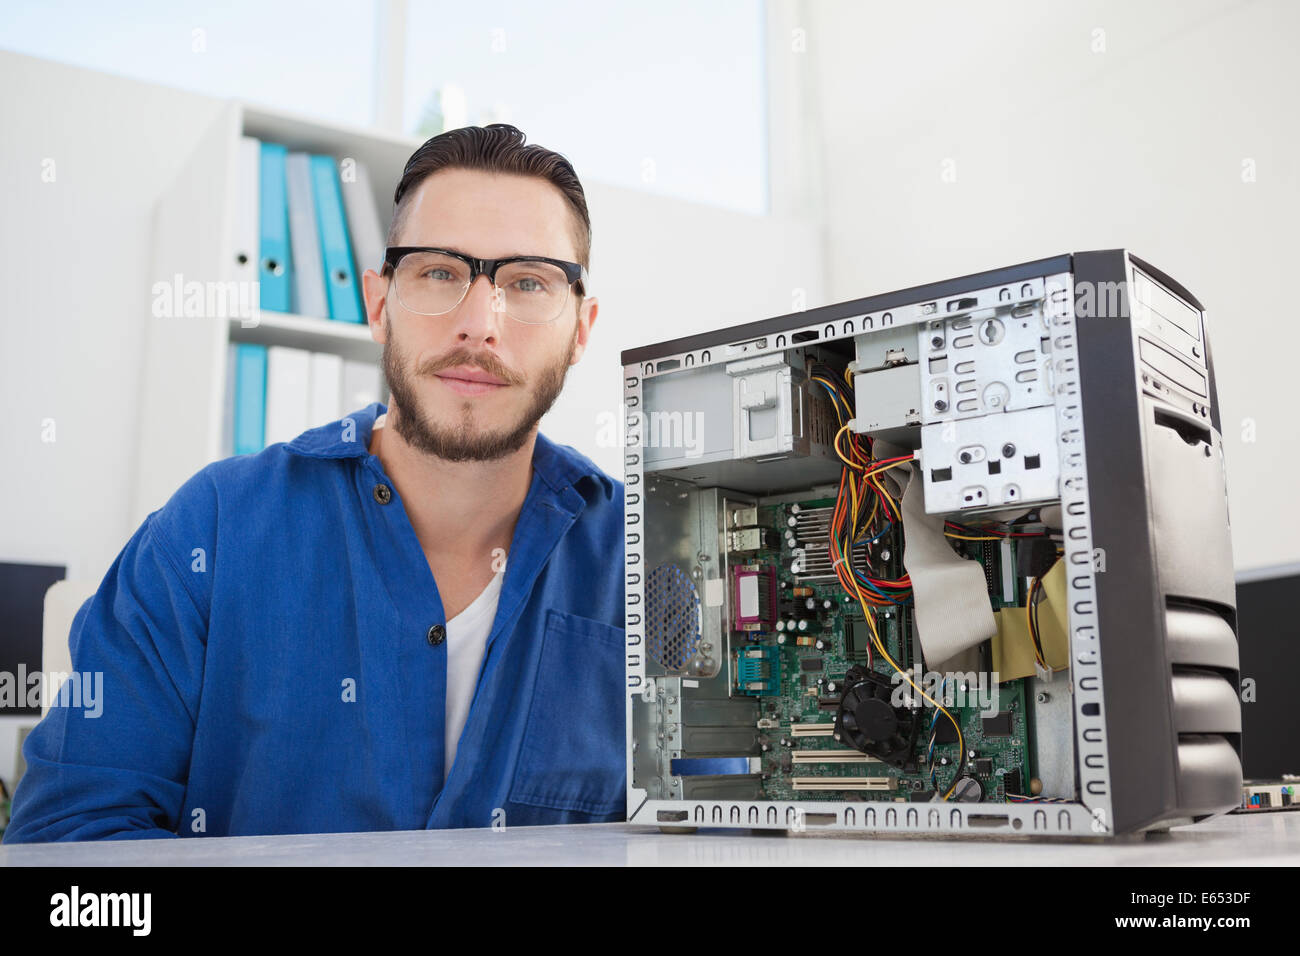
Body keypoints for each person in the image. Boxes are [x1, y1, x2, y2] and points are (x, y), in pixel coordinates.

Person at [3, 124, 627, 841]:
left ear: (581, 329)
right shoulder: (209, 530)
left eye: (527, 283)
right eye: (439, 272)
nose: (479, 324)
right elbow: (66, 839)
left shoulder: (648, 561)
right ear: (379, 302)